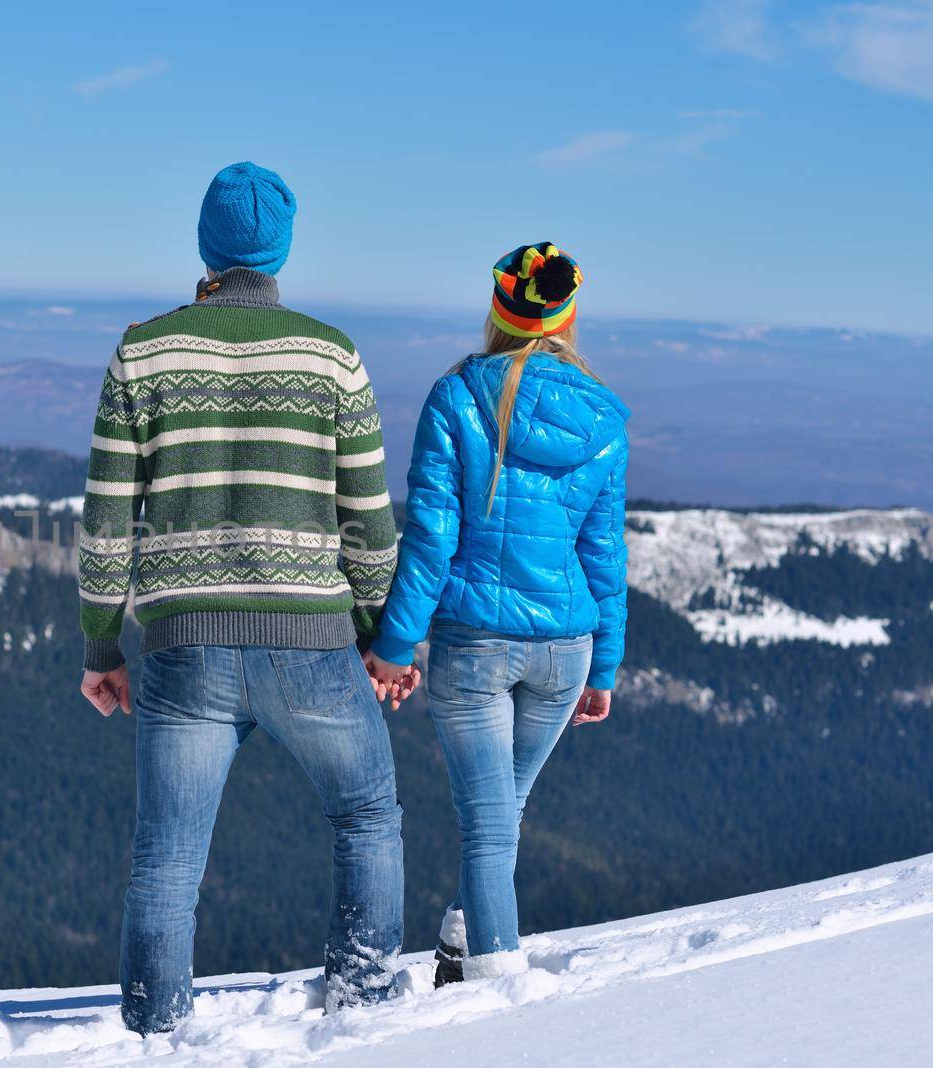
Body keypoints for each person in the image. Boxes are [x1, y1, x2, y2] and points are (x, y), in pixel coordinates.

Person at [76, 162, 413, 1034]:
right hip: (311, 640)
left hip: (184, 642)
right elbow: (368, 522)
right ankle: (365, 1007)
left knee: (166, 863)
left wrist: (101, 648)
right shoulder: (331, 354)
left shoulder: (143, 350)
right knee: (367, 812)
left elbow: (109, 520)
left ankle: (153, 1038)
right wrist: (383, 634)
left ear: (205, 246)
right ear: (282, 250)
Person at [364, 242, 629, 984]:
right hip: (565, 644)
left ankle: (497, 994)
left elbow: (431, 536)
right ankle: (462, 934)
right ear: (566, 318)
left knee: (488, 822)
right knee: (501, 812)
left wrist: (396, 642)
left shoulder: (457, 397)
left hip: (475, 643)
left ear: (498, 310)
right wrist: (602, 664)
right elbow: (605, 554)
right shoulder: (604, 418)